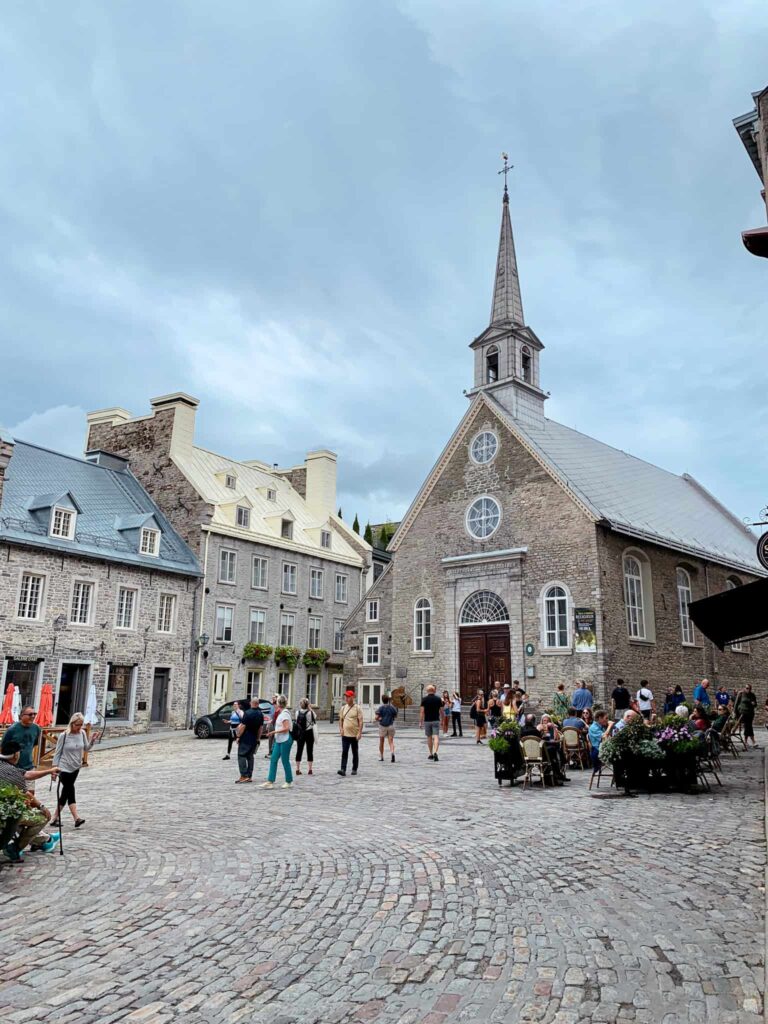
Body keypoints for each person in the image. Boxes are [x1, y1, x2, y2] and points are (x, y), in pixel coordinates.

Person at [0, 740, 60, 860]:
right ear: (16, 755)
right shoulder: (13, 774)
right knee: (42, 817)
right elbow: (26, 794)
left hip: (5, 812)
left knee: (20, 819)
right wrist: (41, 806)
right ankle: (15, 848)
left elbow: (26, 774)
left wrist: (49, 771)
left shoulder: (6, 767)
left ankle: (44, 839)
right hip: (6, 815)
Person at [52, 712, 94, 828]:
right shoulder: (63, 736)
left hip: (76, 767)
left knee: (66, 792)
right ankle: (76, 818)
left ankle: (54, 818)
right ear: (72, 723)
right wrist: (54, 769)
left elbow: (86, 748)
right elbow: (57, 753)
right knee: (70, 789)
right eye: (77, 725)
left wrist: (92, 741)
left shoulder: (82, 733)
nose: (79, 727)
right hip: (63, 767)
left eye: (81, 724)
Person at [262, 695, 293, 788]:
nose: (274, 704)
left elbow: (287, 728)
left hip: (286, 739)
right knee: (273, 759)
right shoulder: (281, 713)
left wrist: (274, 732)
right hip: (279, 740)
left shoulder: (284, 714)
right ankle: (270, 781)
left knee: (285, 760)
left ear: (279, 704)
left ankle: (289, 781)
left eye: (275, 703)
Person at [3, 706, 41, 772]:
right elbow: (2, 747)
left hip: (29, 767)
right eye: (30, 714)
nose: (33, 716)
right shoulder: (12, 729)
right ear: (21, 716)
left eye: (34, 714)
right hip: (13, 768)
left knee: (30, 782)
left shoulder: (36, 728)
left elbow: (34, 744)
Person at [235, 697, 264, 783]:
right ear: (258, 704)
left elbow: (243, 726)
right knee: (250, 757)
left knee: (241, 755)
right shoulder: (260, 714)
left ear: (251, 703)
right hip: (254, 737)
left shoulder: (247, 713)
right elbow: (260, 728)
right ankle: (249, 776)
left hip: (246, 737)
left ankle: (244, 775)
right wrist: (258, 738)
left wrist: (238, 736)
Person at [337, 689, 364, 777]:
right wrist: (341, 729)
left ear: (352, 697)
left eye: (348, 696)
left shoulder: (357, 708)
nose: (346, 698)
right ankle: (343, 769)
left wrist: (359, 732)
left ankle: (354, 768)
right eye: (346, 696)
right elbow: (340, 720)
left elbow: (360, 721)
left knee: (354, 752)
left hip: (354, 734)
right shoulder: (343, 708)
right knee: (344, 751)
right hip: (345, 734)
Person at [293, 698, 317, 775]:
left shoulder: (297, 712)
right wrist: (310, 708)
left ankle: (297, 769)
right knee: (310, 750)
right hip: (309, 732)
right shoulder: (310, 713)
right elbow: (315, 717)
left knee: (299, 750)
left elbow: (297, 721)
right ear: (307, 705)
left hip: (300, 733)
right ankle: (310, 769)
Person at [420, 684, 444, 762]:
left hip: (427, 721)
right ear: (434, 691)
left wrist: (420, 722)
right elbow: (441, 711)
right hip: (436, 720)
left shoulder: (424, 699)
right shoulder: (438, 699)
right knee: (436, 736)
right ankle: (435, 752)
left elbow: (422, 711)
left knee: (429, 737)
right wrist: (442, 720)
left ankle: (430, 753)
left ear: (427, 691)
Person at [376, 694, 397, 762]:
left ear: (382, 700)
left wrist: (379, 719)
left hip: (382, 726)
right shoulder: (392, 707)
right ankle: (392, 752)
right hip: (390, 725)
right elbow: (395, 715)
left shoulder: (381, 708)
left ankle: (381, 757)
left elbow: (377, 717)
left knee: (381, 742)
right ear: (388, 700)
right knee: (391, 741)